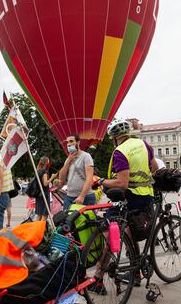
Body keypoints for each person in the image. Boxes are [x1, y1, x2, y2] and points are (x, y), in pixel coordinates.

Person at [93, 119, 158, 292]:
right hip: (146, 196)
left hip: (130, 196)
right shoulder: (144, 144)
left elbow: (122, 182)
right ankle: (136, 272)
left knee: (111, 232)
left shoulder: (120, 151)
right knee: (129, 232)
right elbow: (154, 168)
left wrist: (101, 181)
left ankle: (98, 279)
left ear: (114, 138)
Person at [59, 134, 95, 210]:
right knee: (67, 221)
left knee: (86, 221)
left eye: (71, 141)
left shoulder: (86, 156)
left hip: (86, 197)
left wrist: (82, 196)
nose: (69, 144)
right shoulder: (68, 159)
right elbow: (61, 178)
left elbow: (89, 178)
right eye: (67, 142)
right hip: (69, 197)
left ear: (78, 142)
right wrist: (68, 161)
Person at [35, 156, 57, 221]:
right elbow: (45, 183)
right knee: (45, 214)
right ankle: (41, 230)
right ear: (46, 162)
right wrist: (52, 177)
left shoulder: (38, 170)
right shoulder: (44, 172)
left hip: (38, 194)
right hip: (44, 194)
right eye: (49, 161)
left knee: (39, 214)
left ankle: (37, 230)